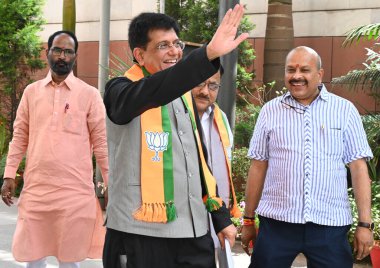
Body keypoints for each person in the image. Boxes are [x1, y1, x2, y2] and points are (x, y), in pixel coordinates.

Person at [103, 5, 248, 268]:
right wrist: (209, 54)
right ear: (139, 54)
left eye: (177, 43)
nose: (174, 51)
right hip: (140, 234)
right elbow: (155, 90)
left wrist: (221, 218)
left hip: (192, 233)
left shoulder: (185, 96)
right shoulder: (120, 91)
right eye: (163, 46)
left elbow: (199, 162)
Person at [240, 46, 374, 268]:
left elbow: (359, 168)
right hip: (277, 224)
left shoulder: (344, 111)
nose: (296, 76)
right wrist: (247, 220)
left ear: (319, 74)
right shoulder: (270, 111)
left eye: (304, 69)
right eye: (290, 70)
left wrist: (365, 224)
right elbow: (258, 166)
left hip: (329, 225)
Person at [1, 31, 109, 268]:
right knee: (33, 254)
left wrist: (110, 182)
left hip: (74, 193)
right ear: (47, 53)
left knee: (69, 259)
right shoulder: (31, 92)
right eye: (57, 50)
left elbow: (101, 143)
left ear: (75, 57)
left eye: (68, 51)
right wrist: (9, 175)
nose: (62, 56)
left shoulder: (89, 95)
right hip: (37, 190)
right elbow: (19, 136)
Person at [191, 69, 241, 267]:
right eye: (199, 84)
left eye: (213, 86)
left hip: (216, 218)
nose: (205, 92)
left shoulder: (221, 119)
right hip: (184, 221)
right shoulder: (174, 116)